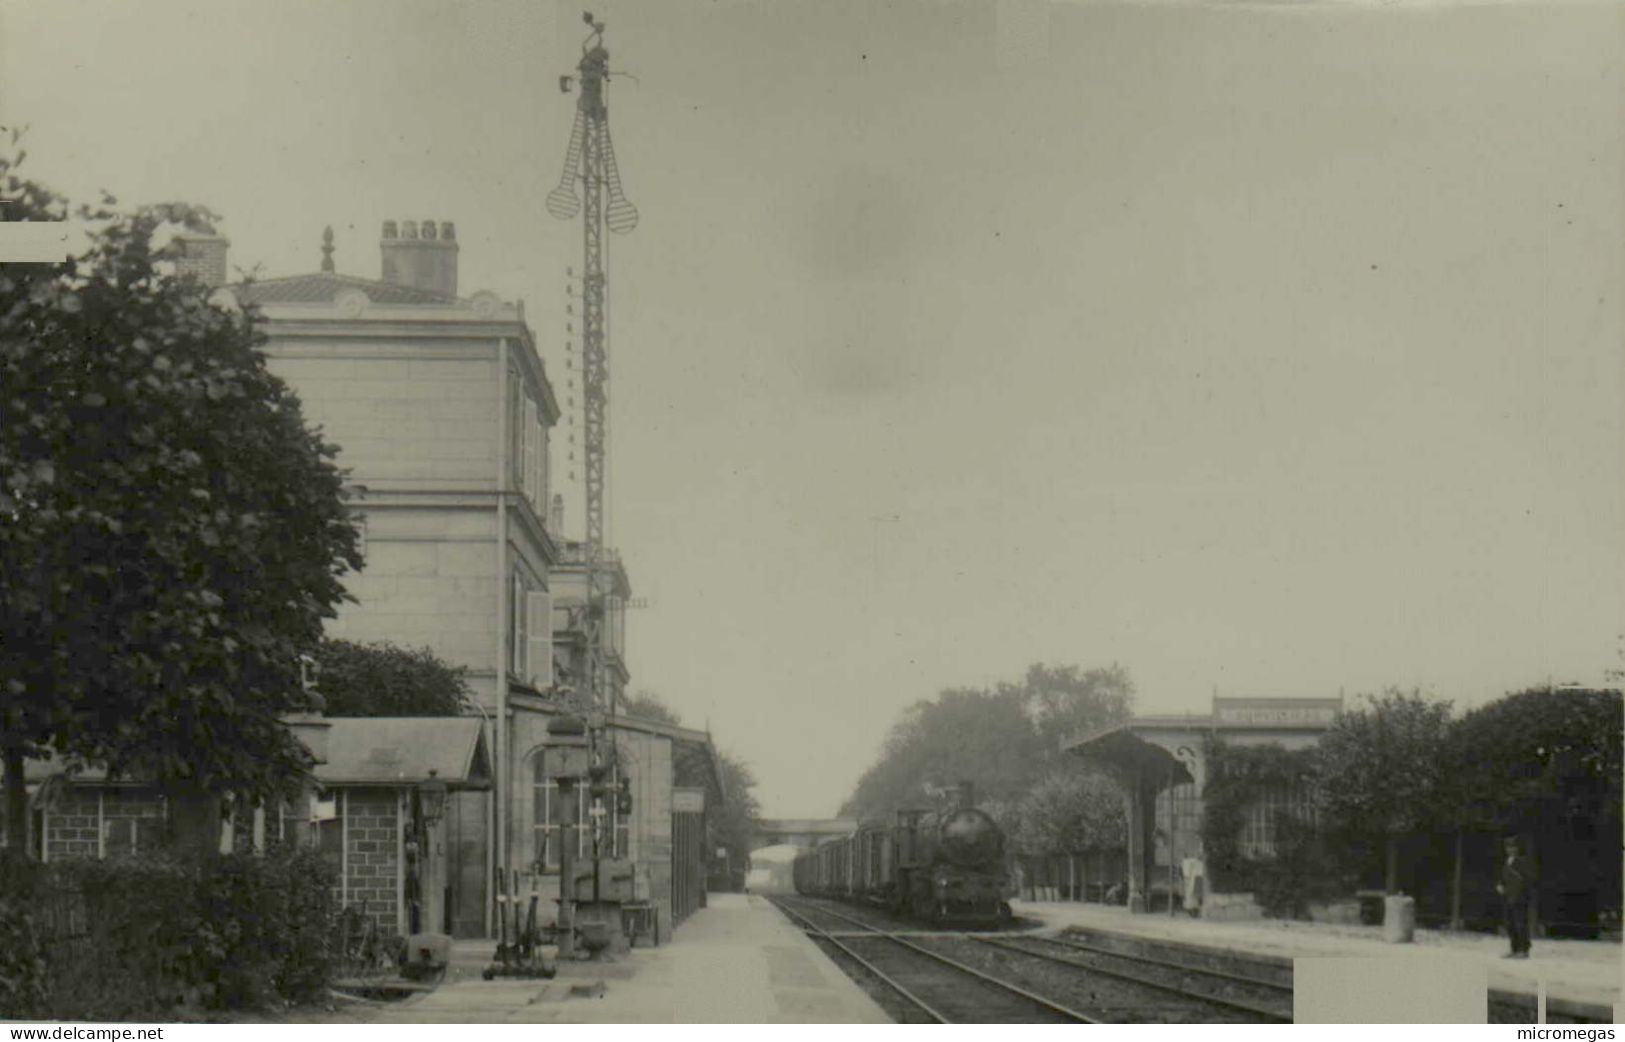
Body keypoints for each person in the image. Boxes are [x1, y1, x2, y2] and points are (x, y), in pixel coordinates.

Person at [1495, 836, 1536, 959]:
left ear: (1517, 848)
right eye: (1508, 847)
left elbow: (1527, 880)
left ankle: (1524, 950)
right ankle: (1514, 949)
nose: (1510, 849)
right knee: (1510, 924)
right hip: (1508, 897)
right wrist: (1500, 885)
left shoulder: (1522, 861)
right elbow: (1504, 878)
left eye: (1513, 847)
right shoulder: (1507, 861)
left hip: (1520, 898)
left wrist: (1522, 894)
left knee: (1520, 924)